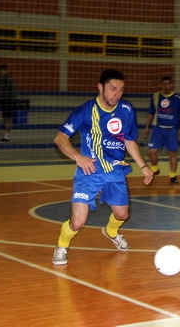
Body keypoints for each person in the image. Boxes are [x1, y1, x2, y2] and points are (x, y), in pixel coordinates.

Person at [52, 69, 154, 265]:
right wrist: (77, 157)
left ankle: (111, 231)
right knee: (78, 222)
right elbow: (60, 137)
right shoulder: (85, 111)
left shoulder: (126, 110)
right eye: (113, 89)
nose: (117, 94)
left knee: (122, 214)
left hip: (115, 171)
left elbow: (129, 140)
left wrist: (143, 165)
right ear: (100, 87)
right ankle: (61, 246)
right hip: (89, 171)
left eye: (121, 90)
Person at [144, 76, 180, 184]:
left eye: (168, 83)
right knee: (151, 152)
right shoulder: (155, 96)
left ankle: (172, 176)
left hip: (171, 130)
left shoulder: (178, 99)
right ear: (160, 85)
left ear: (172, 85)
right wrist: (147, 127)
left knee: (172, 154)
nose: (166, 85)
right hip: (157, 129)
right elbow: (151, 113)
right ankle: (155, 169)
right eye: (163, 83)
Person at [0, 64, 15, 142]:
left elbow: (9, 91)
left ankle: (7, 136)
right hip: (2, 101)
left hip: (8, 101)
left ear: (6, 71)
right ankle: (6, 136)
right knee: (5, 119)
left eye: (3, 70)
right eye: (0, 70)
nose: (1, 71)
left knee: (7, 119)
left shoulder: (8, 79)